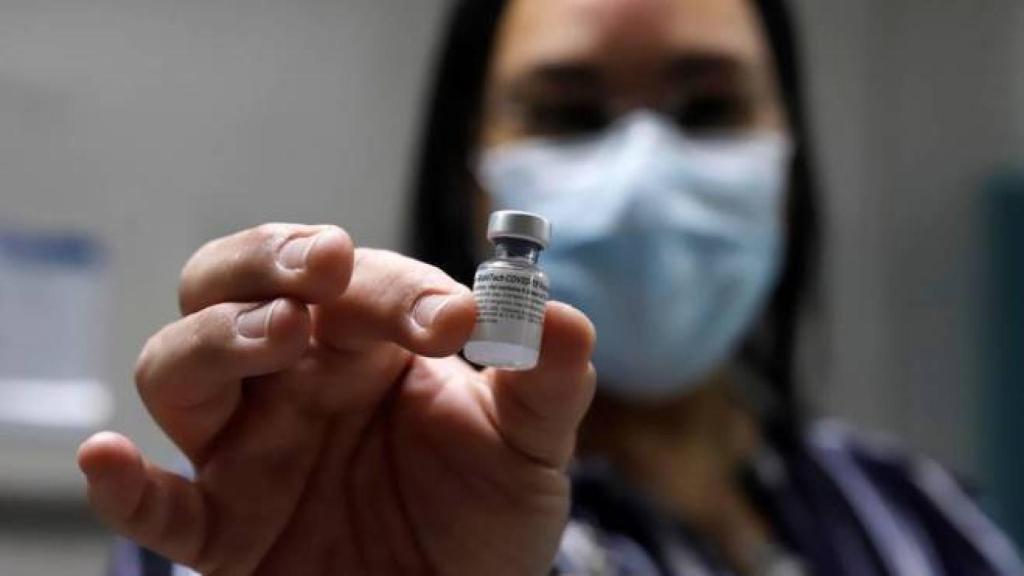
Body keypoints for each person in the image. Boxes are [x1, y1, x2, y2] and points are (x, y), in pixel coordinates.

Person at [81, 0, 1022, 574]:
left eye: (709, 108)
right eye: (567, 114)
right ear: (471, 177)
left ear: (788, 157)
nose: (643, 171)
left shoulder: (922, 516)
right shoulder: (278, 510)